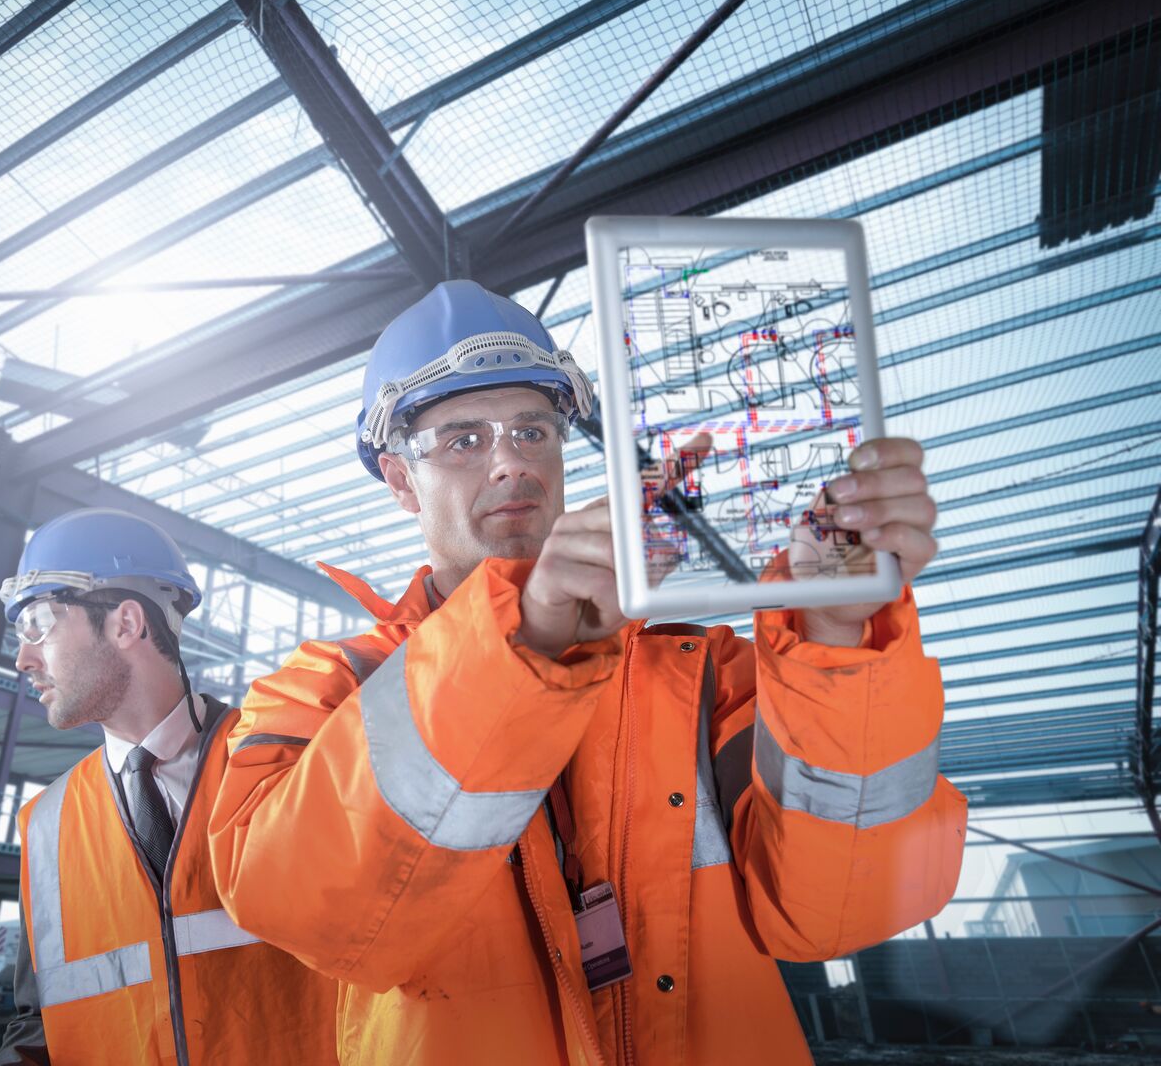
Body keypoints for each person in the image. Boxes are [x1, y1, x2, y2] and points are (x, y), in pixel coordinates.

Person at [209, 280, 965, 1065]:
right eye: (463, 440)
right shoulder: (324, 690)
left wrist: (838, 637)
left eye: (533, 431)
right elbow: (308, 911)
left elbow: (838, 910)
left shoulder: (707, 677)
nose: (511, 463)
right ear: (401, 480)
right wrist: (524, 638)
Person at [0, 509, 336, 1065]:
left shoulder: (291, 761)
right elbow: (40, 1024)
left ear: (126, 624)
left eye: (39, 624)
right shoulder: (45, 824)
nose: (23, 658)